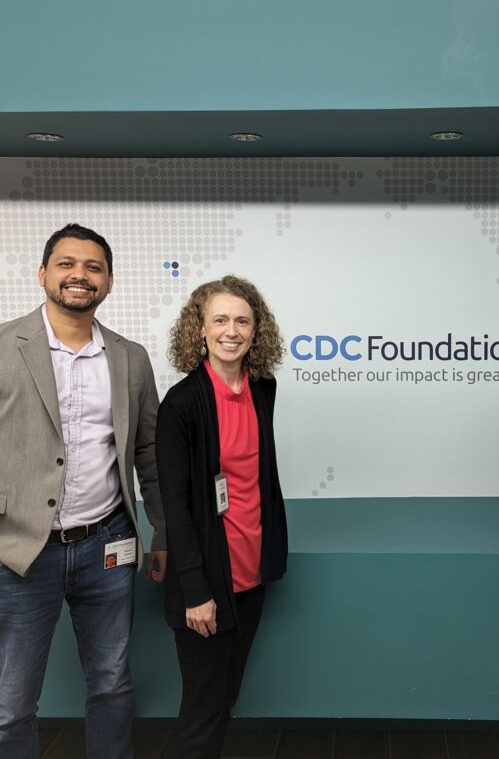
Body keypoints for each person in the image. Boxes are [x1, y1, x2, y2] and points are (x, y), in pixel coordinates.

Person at [0, 223, 166, 758]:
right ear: (43, 274)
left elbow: (150, 455)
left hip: (108, 547)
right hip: (16, 557)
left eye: (93, 267)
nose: (79, 275)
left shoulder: (131, 359)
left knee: (112, 683)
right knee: (13, 704)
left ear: (108, 282)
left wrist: (163, 533)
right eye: (66, 264)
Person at [156, 276, 288, 758]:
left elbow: (258, 479)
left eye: (243, 320)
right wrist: (196, 591)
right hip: (207, 583)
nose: (232, 330)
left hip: (252, 574)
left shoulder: (263, 388)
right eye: (220, 320)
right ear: (201, 329)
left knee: (225, 698)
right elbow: (177, 506)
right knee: (202, 711)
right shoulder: (181, 405)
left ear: (257, 330)